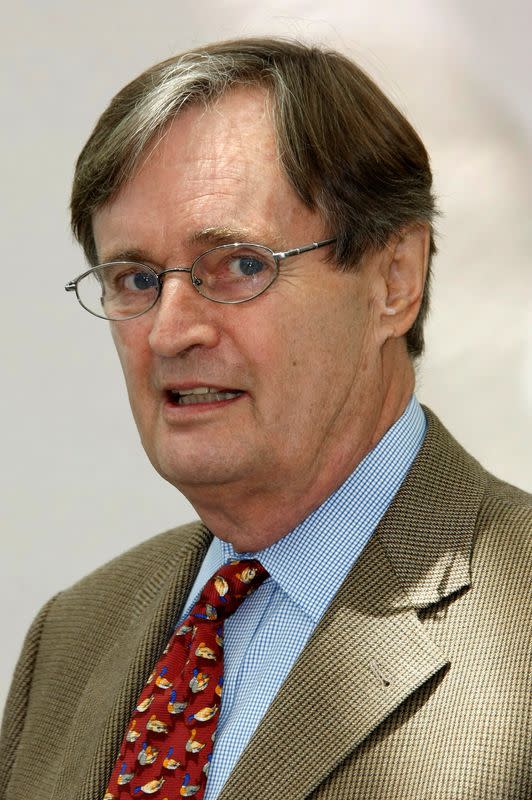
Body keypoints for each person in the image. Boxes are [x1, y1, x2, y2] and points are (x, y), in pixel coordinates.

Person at [1, 38, 530, 800]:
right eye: (136, 278)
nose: (169, 330)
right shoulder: (71, 639)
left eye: (239, 265)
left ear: (394, 279)